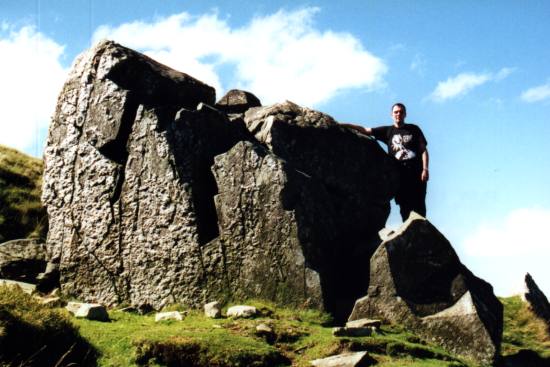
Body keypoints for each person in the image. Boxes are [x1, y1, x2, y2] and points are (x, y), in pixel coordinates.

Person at [342, 103, 429, 221]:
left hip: (417, 173)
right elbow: (366, 130)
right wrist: (344, 125)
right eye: (396, 112)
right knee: (404, 207)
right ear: (391, 115)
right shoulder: (388, 131)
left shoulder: (414, 129)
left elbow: (423, 150)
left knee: (420, 206)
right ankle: (409, 232)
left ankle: (423, 235)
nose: (398, 114)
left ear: (405, 114)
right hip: (400, 175)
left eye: (401, 112)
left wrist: (425, 169)